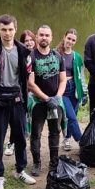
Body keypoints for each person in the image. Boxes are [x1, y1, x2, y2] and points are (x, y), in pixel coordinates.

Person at [0, 14, 36, 189]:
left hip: (17, 100)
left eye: (10, 29)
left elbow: (27, 75)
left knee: (20, 137)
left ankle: (20, 170)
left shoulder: (23, 51)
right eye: (4, 29)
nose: (7, 33)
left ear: (15, 30)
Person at [27, 25, 66, 176]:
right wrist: (46, 98)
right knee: (36, 133)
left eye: (47, 35)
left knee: (55, 131)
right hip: (38, 102)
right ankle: (37, 163)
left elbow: (63, 80)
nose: (44, 37)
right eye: (41, 35)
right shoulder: (31, 57)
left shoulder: (58, 56)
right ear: (37, 37)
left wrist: (58, 97)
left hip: (55, 101)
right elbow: (30, 84)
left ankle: (54, 162)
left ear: (51, 38)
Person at [5, 30, 36, 157]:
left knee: (30, 121)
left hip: (35, 91)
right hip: (22, 92)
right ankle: (11, 143)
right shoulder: (20, 53)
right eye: (26, 40)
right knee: (17, 121)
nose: (29, 43)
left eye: (31, 40)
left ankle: (30, 143)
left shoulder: (38, 54)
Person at [56, 29, 88, 151]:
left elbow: (81, 76)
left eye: (73, 40)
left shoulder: (77, 57)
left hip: (74, 89)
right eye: (69, 38)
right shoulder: (55, 54)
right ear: (64, 37)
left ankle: (66, 139)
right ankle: (82, 142)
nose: (70, 41)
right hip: (62, 90)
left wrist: (84, 92)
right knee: (71, 117)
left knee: (72, 116)